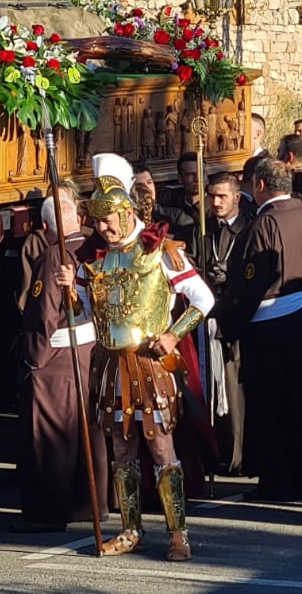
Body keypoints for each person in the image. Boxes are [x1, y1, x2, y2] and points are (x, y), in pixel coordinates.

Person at [76, 155, 214, 562]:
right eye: (97, 223)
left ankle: (178, 532)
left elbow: (203, 299)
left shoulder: (160, 249)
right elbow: (86, 312)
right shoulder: (96, 259)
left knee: (159, 448)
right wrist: (72, 290)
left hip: (149, 366)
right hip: (111, 366)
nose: (102, 230)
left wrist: (174, 334)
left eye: (107, 222)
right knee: (121, 450)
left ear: (125, 211)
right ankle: (130, 529)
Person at [222, 157, 302, 503]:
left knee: (270, 407)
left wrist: (230, 324)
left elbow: (250, 283)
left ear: (260, 185)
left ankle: (277, 482)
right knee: (301, 404)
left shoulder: (263, 225)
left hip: (269, 326)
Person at [12, 183, 108, 533]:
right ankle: (90, 502)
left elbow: (43, 311)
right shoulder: (95, 249)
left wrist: (34, 357)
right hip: (89, 350)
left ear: (47, 227)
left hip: (57, 354)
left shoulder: (55, 256)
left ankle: (47, 511)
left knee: (49, 432)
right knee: (87, 428)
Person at [189, 172, 251, 477]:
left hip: (235, 320)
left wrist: (232, 277)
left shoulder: (248, 229)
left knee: (233, 390)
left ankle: (238, 454)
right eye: (211, 195)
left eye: (222, 196)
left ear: (236, 197)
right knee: (208, 387)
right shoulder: (202, 230)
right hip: (206, 319)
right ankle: (212, 451)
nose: (215, 202)